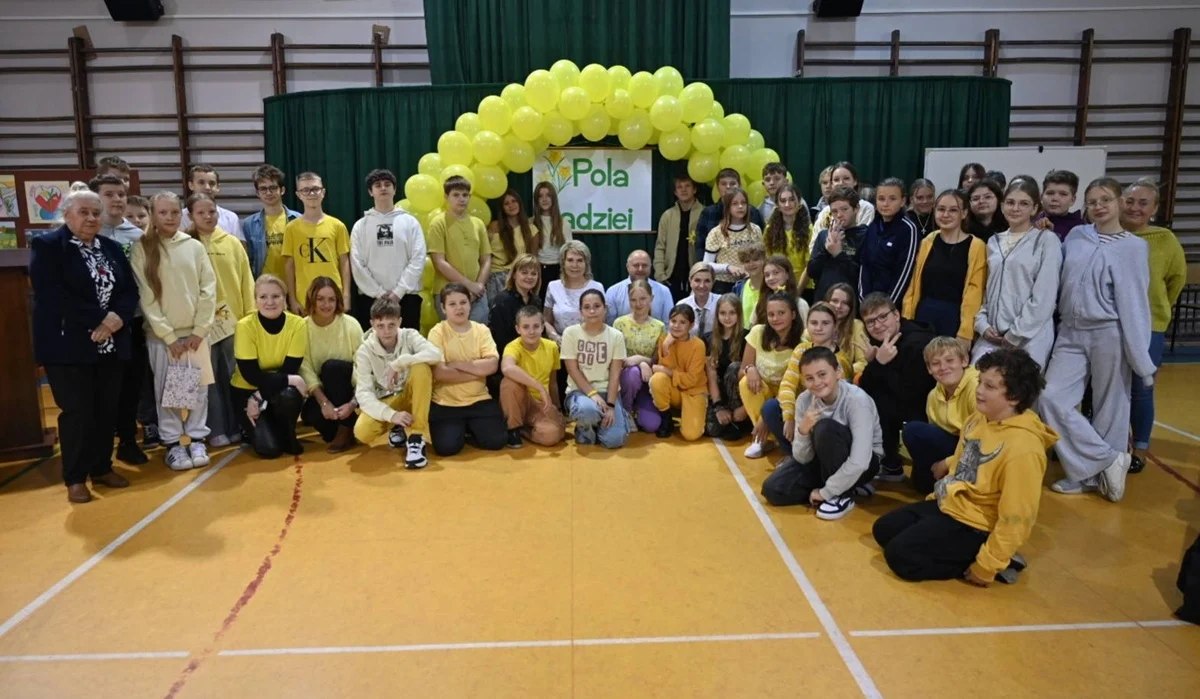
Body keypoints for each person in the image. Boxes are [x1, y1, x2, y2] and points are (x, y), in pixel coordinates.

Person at [873, 348, 1057, 585]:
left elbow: (1018, 518)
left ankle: (997, 560)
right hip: (952, 504)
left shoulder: (1024, 449)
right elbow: (970, 460)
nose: (979, 390)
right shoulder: (979, 417)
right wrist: (947, 470)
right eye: (980, 382)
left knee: (900, 556)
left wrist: (986, 566)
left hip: (977, 524)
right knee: (883, 530)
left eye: (989, 387)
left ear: (1014, 397)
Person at [1040, 178, 1157, 502]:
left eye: (1105, 199)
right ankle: (1106, 460)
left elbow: (1134, 302)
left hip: (1109, 332)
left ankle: (1094, 478)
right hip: (1070, 331)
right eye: (1092, 202)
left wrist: (1140, 357)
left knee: (1111, 407)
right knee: (1050, 398)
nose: (1098, 206)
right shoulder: (1077, 236)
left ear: (1119, 202)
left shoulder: (1133, 248)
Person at [30, 190, 138, 503]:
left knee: (106, 409)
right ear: (66, 214)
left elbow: (129, 290)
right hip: (68, 345)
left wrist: (116, 319)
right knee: (77, 412)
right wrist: (102, 319)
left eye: (96, 213)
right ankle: (75, 477)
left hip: (110, 344)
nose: (91, 218)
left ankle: (101, 467)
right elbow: (52, 294)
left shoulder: (111, 247)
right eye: (84, 212)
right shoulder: (48, 246)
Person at [131, 191, 217, 471]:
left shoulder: (194, 246)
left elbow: (208, 288)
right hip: (163, 339)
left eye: (175, 212)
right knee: (169, 393)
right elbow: (146, 297)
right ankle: (173, 444)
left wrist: (200, 329)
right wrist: (168, 336)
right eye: (163, 213)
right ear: (153, 215)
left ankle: (197, 439)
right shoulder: (143, 248)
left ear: (182, 214)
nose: (170, 217)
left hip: (195, 337)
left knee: (198, 391)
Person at [761, 347, 883, 519]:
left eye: (822, 374)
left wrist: (826, 492)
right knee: (774, 489)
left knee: (825, 428)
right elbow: (803, 458)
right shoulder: (804, 400)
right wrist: (803, 431)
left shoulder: (857, 401)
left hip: (865, 463)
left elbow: (860, 461)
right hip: (823, 461)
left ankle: (841, 495)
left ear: (838, 372)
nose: (817, 382)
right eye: (809, 378)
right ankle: (846, 484)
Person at [1123, 177, 1187, 473]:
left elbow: (1176, 280)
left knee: (1141, 390)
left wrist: (1155, 311)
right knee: (1107, 389)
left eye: (1143, 203)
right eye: (1130, 201)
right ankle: (1111, 445)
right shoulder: (1107, 233)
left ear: (1155, 208)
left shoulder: (1165, 240)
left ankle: (1140, 448)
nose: (1135, 208)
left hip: (1148, 327)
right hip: (1111, 325)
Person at [90, 173, 150, 465]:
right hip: (95, 324)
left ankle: (128, 439)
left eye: (121, 194)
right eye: (109, 194)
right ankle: (98, 448)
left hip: (131, 321)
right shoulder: (88, 234)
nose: (116, 199)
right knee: (100, 388)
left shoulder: (137, 236)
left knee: (131, 383)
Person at [187, 193, 255, 449]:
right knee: (209, 379)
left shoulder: (232, 243)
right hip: (200, 326)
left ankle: (237, 426)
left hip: (232, 322)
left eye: (212, 211)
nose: (208, 216)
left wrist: (249, 315)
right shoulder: (186, 243)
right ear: (190, 215)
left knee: (234, 376)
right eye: (201, 212)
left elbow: (246, 280)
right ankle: (214, 429)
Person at [972, 178, 1062, 369]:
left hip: (1029, 337)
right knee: (976, 382)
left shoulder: (1046, 240)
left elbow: (1044, 296)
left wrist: (1016, 334)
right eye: (1010, 202)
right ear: (1002, 206)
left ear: (1035, 208)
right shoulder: (993, 242)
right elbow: (988, 290)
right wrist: (982, 324)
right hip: (992, 335)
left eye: (1024, 203)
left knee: (1019, 387)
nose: (1015, 208)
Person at [353, 296, 441, 468]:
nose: (386, 331)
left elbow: (436, 354)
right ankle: (396, 425)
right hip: (387, 400)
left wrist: (400, 362)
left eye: (391, 325)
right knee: (362, 432)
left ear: (399, 322)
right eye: (380, 326)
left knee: (421, 367)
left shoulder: (410, 335)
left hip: (410, 396)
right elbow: (363, 394)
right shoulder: (364, 351)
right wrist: (391, 415)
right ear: (372, 324)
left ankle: (417, 437)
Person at [858, 292, 937, 482]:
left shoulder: (917, 342)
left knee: (923, 484)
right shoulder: (881, 341)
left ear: (896, 315)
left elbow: (910, 393)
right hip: (905, 404)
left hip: (928, 412)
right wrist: (875, 362)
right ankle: (888, 462)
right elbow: (865, 387)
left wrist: (879, 364)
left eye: (882, 317)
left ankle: (890, 462)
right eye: (870, 322)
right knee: (866, 399)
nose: (878, 325)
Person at [230, 274, 308, 458]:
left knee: (290, 393)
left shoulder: (297, 324)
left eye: (276, 296)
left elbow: (290, 368)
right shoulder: (244, 326)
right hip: (246, 390)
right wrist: (292, 380)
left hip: (269, 393)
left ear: (285, 299)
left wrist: (258, 397)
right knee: (270, 450)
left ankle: (287, 432)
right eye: (263, 297)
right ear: (255, 300)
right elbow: (250, 374)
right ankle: (257, 428)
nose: (270, 302)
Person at [765, 303, 855, 463]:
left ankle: (820, 460)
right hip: (802, 409)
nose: (819, 328)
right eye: (814, 323)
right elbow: (787, 384)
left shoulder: (841, 361)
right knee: (770, 408)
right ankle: (793, 455)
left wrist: (808, 421)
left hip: (826, 417)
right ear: (807, 325)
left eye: (825, 323)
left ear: (835, 326)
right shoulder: (801, 349)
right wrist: (789, 417)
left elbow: (837, 404)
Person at [428, 284, 507, 456]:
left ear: (470, 304)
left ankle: (469, 429)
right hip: (446, 402)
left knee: (497, 441)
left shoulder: (481, 330)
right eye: (452, 304)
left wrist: (456, 365)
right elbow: (440, 373)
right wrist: (477, 371)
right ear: (443, 308)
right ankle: (462, 430)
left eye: (463, 302)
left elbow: (492, 365)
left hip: (479, 398)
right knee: (446, 448)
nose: (459, 308)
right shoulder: (437, 332)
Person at [902, 189, 987, 343]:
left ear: (964, 213)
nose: (945, 215)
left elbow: (974, 293)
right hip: (923, 317)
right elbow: (913, 286)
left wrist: (966, 333)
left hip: (954, 319)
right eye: (941, 209)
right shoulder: (927, 241)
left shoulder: (977, 246)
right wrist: (907, 320)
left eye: (953, 210)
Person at [901, 337, 980, 495]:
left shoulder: (977, 388)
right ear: (929, 369)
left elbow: (981, 441)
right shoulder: (933, 396)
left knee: (913, 430)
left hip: (976, 449)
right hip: (953, 444)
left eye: (950, 360)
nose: (943, 367)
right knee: (921, 484)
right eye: (935, 363)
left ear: (964, 361)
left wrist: (947, 463)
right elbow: (934, 432)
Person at [349, 168, 425, 330]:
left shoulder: (410, 222)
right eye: (377, 185)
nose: (383, 188)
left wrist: (398, 292)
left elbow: (418, 259)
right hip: (371, 299)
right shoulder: (360, 226)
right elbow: (357, 264)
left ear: (394, 189)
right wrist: (379, 293)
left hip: (407, 298)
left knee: (408, 344)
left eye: (387, 184)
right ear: (370, 192)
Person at [299, 277, 363, 453]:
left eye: (331, 299)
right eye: (320, 299)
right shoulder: (301, 327)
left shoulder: (351, 325)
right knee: (311, 416)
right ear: (312, 300)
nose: (326, 305)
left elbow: (362, 365)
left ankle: (346, 426)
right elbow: (305, 368)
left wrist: (353, 403)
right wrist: (324, 403)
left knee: (332, 368)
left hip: (349, 388)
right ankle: (346, 428)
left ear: (337, 301)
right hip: (323, 391)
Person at [562, 289, 630, 448]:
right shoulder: (570, 333)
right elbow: (573, 370)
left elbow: (615, 374)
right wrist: (593, 395)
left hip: (607, 392)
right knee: (588, 411)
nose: (592, 311)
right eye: (587, 307)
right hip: (580, 391)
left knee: (614, 440)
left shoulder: (616, 335)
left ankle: (604, 423)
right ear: (580, 311)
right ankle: (585, 428)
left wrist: (611, 405)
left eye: (597, 306)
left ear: (605, 308)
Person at [740, 292, 803, 458]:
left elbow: (799, 386)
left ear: (793, 314)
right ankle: (761, 440)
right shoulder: (758, 332)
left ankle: (777, 436)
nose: (775, 318)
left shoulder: (803, 341)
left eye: (781, 313)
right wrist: (750, 369)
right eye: (771, 314)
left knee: (774, 407)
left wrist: (765, 418)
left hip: (790, 397)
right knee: (745, 382)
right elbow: (741, 370)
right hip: (764, 392)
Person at [283, 171, 351, 315]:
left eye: (315, 189)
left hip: (333, 296)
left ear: (323, 192)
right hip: (304, 297)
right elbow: (289, 265)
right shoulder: (291, 228)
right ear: (298, 195)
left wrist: (346, 295)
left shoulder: (337, 226)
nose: (311, 194)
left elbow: (344, 261)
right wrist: (292, 299)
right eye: (305, 190)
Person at [499, 306, 565, 448]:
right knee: (508, 382)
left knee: (552, 435)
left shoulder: (552, 347)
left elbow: (553, 382)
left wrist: (557, 408)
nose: (531, 331)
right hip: (520, 400)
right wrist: (538, 386)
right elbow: (507, 368)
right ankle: (513, 429)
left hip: (541, 403)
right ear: (518, 329)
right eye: (526, 327)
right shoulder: (512, 347)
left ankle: (524, 430)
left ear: (542, 327)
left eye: (536, 326)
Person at [428, 176, 491, 323]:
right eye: (456, 195)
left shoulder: (478, 223)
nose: (461, 199)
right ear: (446, 197)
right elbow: (439, 263)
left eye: (465, 195)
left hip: (477, 294)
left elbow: (486, 259)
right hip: (448, 293)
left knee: (478, 333)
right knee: (453, 334)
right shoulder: (438, 223)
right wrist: (469, 285)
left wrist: (478, 286)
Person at [615, 280, 667, 433]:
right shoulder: (619, 324)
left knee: (652, 425)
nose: (638, 304)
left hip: (647, 381)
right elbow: (616, 358)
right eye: (633, 299)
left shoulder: (659, 326)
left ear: (651, 298)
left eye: (643, 298)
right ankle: (626, 410)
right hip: (626, 379)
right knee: (633, 373)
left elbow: (659, 360)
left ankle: (639, 408)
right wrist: (640, 363)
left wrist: (642, 360)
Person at [858, 177, 919, 309]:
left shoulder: (908, 229)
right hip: (868, 303)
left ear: (903, 201)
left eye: (892, 199)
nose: (886, 204)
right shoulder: (873, 226)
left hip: (891, 305)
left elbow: (905, 272)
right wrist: (863, 299)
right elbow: (864, 264)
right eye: (881, 199)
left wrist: (888, 306)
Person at [650, 305, 708, 440]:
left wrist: (668, 372)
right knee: (658, 379)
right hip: (674, 390)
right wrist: (666, 347)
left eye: (682, 322)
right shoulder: (664, 340)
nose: (676, 326)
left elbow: (692, 379)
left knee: (691, 435)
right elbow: (663, 372)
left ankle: (698, 410)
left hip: (694, 392)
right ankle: (666, 417)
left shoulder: (698, 345)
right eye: (673, 321)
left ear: (691, 325)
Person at [808, 186, 869, 301]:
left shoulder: (865, 235)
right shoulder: (823, 235)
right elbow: (812, 272)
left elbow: (862, 277)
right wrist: (826, 250)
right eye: (834, 211)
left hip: (849, 302)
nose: (839, 215)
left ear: (856, 208)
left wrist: (838, 254)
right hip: (823, 301)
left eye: (844, 209)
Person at [694, 168, 766, 263]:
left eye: (732, 183)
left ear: (739, 185)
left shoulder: (753, 214)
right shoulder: (708, 214)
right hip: (719, 269)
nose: (728, 187)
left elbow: (762, 250)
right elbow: (700, 246)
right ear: (718, 187)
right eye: (723, 184)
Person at [242, 164, 300, 278]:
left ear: (282, 190)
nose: (268, 193)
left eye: (273, 188)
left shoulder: (298, 219)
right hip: (264, 285)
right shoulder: (249, 224)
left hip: (294, 283)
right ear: (257, 193)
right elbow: (247, 261)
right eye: (263, 189)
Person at [704, 293, 750, 439]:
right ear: (717, 315)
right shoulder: (708, 338)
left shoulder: (747, 338)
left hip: (739, 394)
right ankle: (724, 414)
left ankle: (739, 416)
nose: (727, 317)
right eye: (723, 313)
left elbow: (749, 374)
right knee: (712, 430)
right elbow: (711, 376)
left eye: (732, 313)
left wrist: (744, 408)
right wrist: (718, 406)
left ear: (739, 314)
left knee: (735, 367)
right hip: (718, 394)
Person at [703, 187, 762, 295]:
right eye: (735, 203)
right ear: (727, 207)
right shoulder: (716, 232)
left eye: (743, 203)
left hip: (750, 283)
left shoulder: (755, 230)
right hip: (723, 286)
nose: (740, 206)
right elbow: (707, 265)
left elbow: (762, 257)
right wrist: (727, 268)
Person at [544, 240, 605, 343]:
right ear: (563, 263)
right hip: (560, 344)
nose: (575, 265)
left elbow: (602, 320)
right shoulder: (553, 286)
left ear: (586, 263)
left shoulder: (597, 287)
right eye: (570, 260)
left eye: (580, 260)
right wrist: (556, 338)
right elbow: (546, 321)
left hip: (590, 343)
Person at [654, 174, 701, 301]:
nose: (683, 190)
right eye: (679, 187)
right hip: (671, 277)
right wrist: (660, 274)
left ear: (694, 189)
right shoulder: (667, 216)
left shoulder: (704, 213)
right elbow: (660, 246)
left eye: (687, 186)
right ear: (675, 192)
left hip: (696, 277)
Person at [486, 189, 539, 303]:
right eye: (506, 203)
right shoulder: (494, 226)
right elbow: (485, 255)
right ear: (502, 208)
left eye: (514, 201)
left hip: (520, 277)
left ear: (519, 203)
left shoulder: (531, 230)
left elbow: (533, 259)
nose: (511, 205)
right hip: (496, 277)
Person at [763, 183, 813, 295]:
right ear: (777, 205)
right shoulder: (769, 229)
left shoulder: (808, 229)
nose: (787, 204)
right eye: (783, 200)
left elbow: (809, 265)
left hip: (803, 288)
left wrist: (797, 292)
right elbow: (767, 261)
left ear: (799, 203)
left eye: (792, 200)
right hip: (777, 288)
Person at [488, 253, 543, 355]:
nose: (529, 277)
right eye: (524, 273)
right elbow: (500, 338)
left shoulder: (536, 301)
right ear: (514, 275)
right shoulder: (502, 300)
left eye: (533, 274)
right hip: (509, 355)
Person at [179, 164, 245, 241]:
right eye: (201, 182)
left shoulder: (230, 218)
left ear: (218, 187)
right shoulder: (180, 217)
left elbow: (238, 246)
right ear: (191, 185)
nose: (207, 187)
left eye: (212, 183)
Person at [604, 249, 673, 323]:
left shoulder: (664, 291)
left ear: (650, 267)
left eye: (644, 265)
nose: (640, 269)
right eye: (636, 265)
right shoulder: (613, 292)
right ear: (627, 267)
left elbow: (668, 323)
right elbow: (609, 324)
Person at [532, 181, 573, 296]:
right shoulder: (530, 223)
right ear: (536, 200)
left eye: (548, 195)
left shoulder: (563, 223)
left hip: (558, 269)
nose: (544, 199)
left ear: (553, 198)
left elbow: (569, 250)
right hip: (538, 269)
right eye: (540, 196)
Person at [813, 162, 876, 233]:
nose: (841, 183)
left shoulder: (866, 208)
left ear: (855, 181)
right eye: (836, 180)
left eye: (846, 178)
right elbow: (815, 238)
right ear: (832, 184)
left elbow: (864, 236)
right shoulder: (825, 212)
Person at [824, 283, 870, 378]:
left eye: (845, 303)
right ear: (827, 302)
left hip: (845, 380)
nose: (839, 306)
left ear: (851, 307)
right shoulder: (817, 323)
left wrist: (837, 372)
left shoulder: (857, 326)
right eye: (835, 301)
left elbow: (863, 362)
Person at [755, 256, 810, 327]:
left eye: (776, 273)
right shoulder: (760, 303)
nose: (771, 278)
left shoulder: (800, 304)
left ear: (787, 274)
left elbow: (806, 330)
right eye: (767, 275)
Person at [1037, 169, 1086, 242]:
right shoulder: (1030, 222)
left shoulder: (1081, 229)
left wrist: (1052, 235)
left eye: (1063, 194)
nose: (1055, 198)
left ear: (1072, 200)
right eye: (1050, 193)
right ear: (1041, 197)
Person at [732, 243, 768, 329]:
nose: (751, 264)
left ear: (764, 260)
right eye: (747, 261)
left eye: (755, 260)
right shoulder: (739, 288)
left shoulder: (772, 286)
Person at [678, 262, 718, 337]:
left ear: (713, 282)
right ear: (690, 281)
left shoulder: (720, 303)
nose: (702, 285)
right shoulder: (682, 305)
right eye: (697, 280)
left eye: (707, 281)